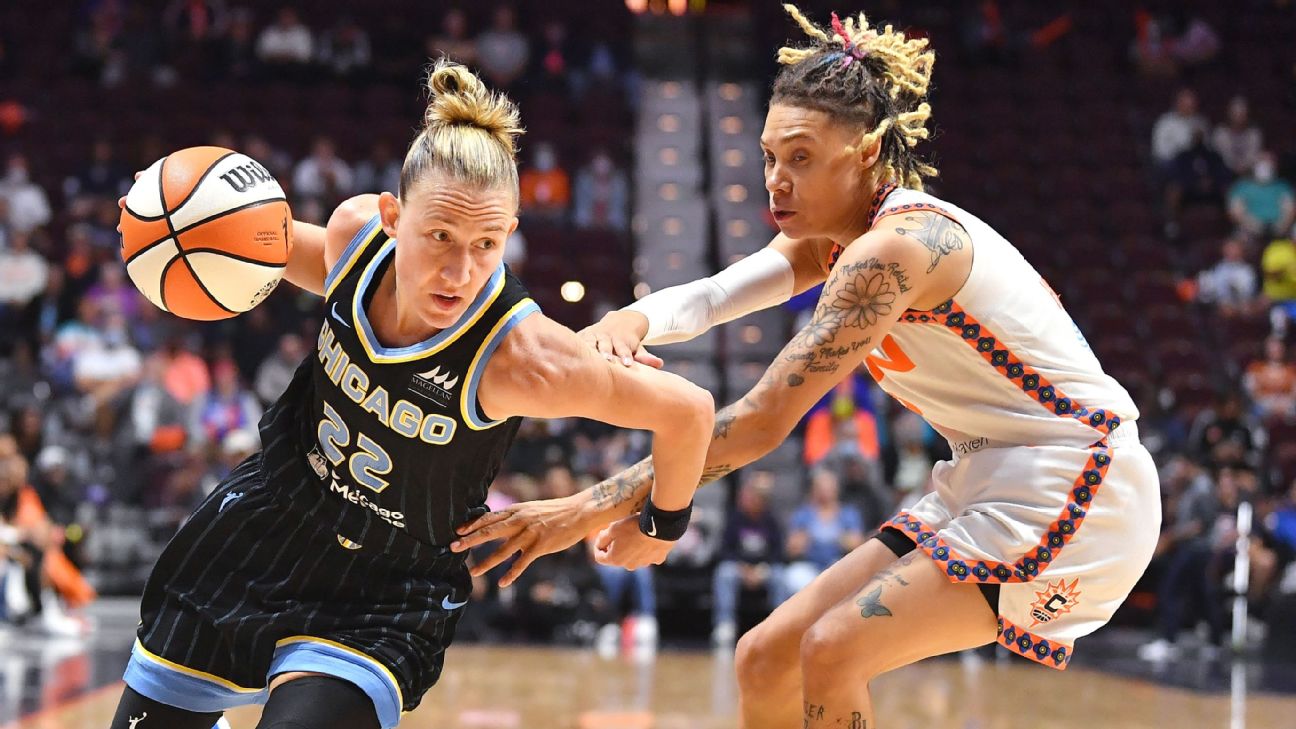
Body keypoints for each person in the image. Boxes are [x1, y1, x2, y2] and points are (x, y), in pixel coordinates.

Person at [453, 8, 1158, 729]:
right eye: (768, 158)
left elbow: (759, 422)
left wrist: (586, 511)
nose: (775, 182)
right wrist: (633, 319)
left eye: (799, 158)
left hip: (1077, 477)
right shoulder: (834, 238)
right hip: (986, 473)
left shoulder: (899, 248)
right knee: (766, 657)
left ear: (868, 151)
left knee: (834, 649)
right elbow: (716, 294)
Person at [106, 59, 713, 729]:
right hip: (261, 529)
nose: (461, 270)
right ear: (393, 218)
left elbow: (688, 410)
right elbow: (256, 245)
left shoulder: (523, 357)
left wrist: (662, 524)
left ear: (511, 233)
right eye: (440, 237)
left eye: (487, 244)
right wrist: (164, 212)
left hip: (383, 591)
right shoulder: (350, 239)